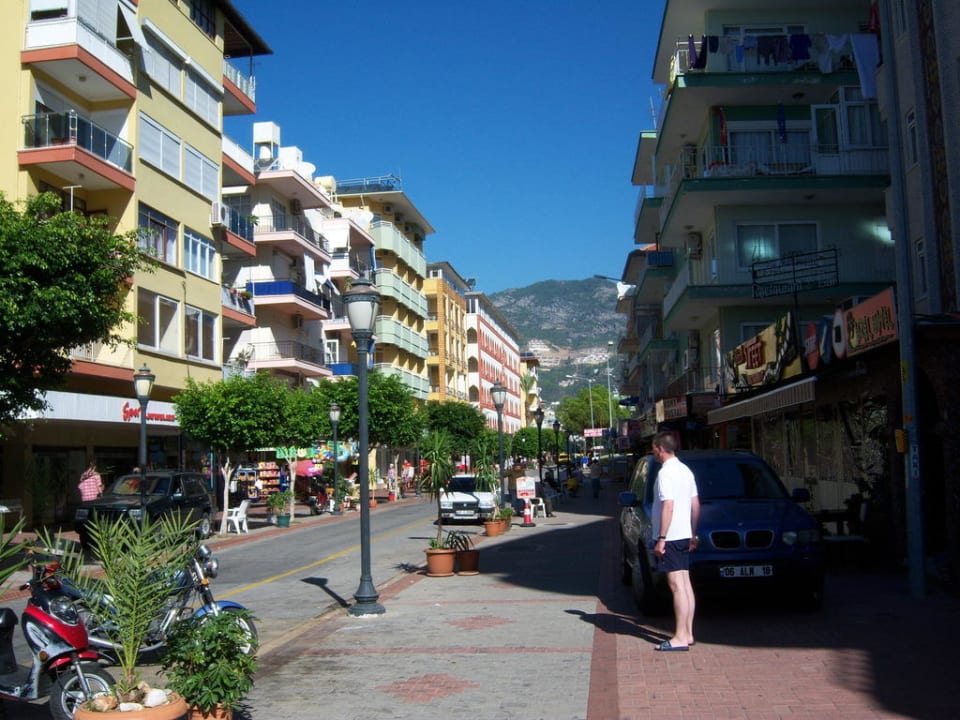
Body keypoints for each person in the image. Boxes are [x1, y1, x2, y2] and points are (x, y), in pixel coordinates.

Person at [650, 431, 700, 652]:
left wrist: (661, 537)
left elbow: (667, 505)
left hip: (671, 535)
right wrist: (693, 532)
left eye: (653, 448)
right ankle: (688, 632)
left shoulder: (665, 473)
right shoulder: (686, 470)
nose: (653, 452)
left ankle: (679, 636)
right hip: (684, 533)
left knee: (676, 586)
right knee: (685, 583)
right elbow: (696, 505)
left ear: (660, 449)